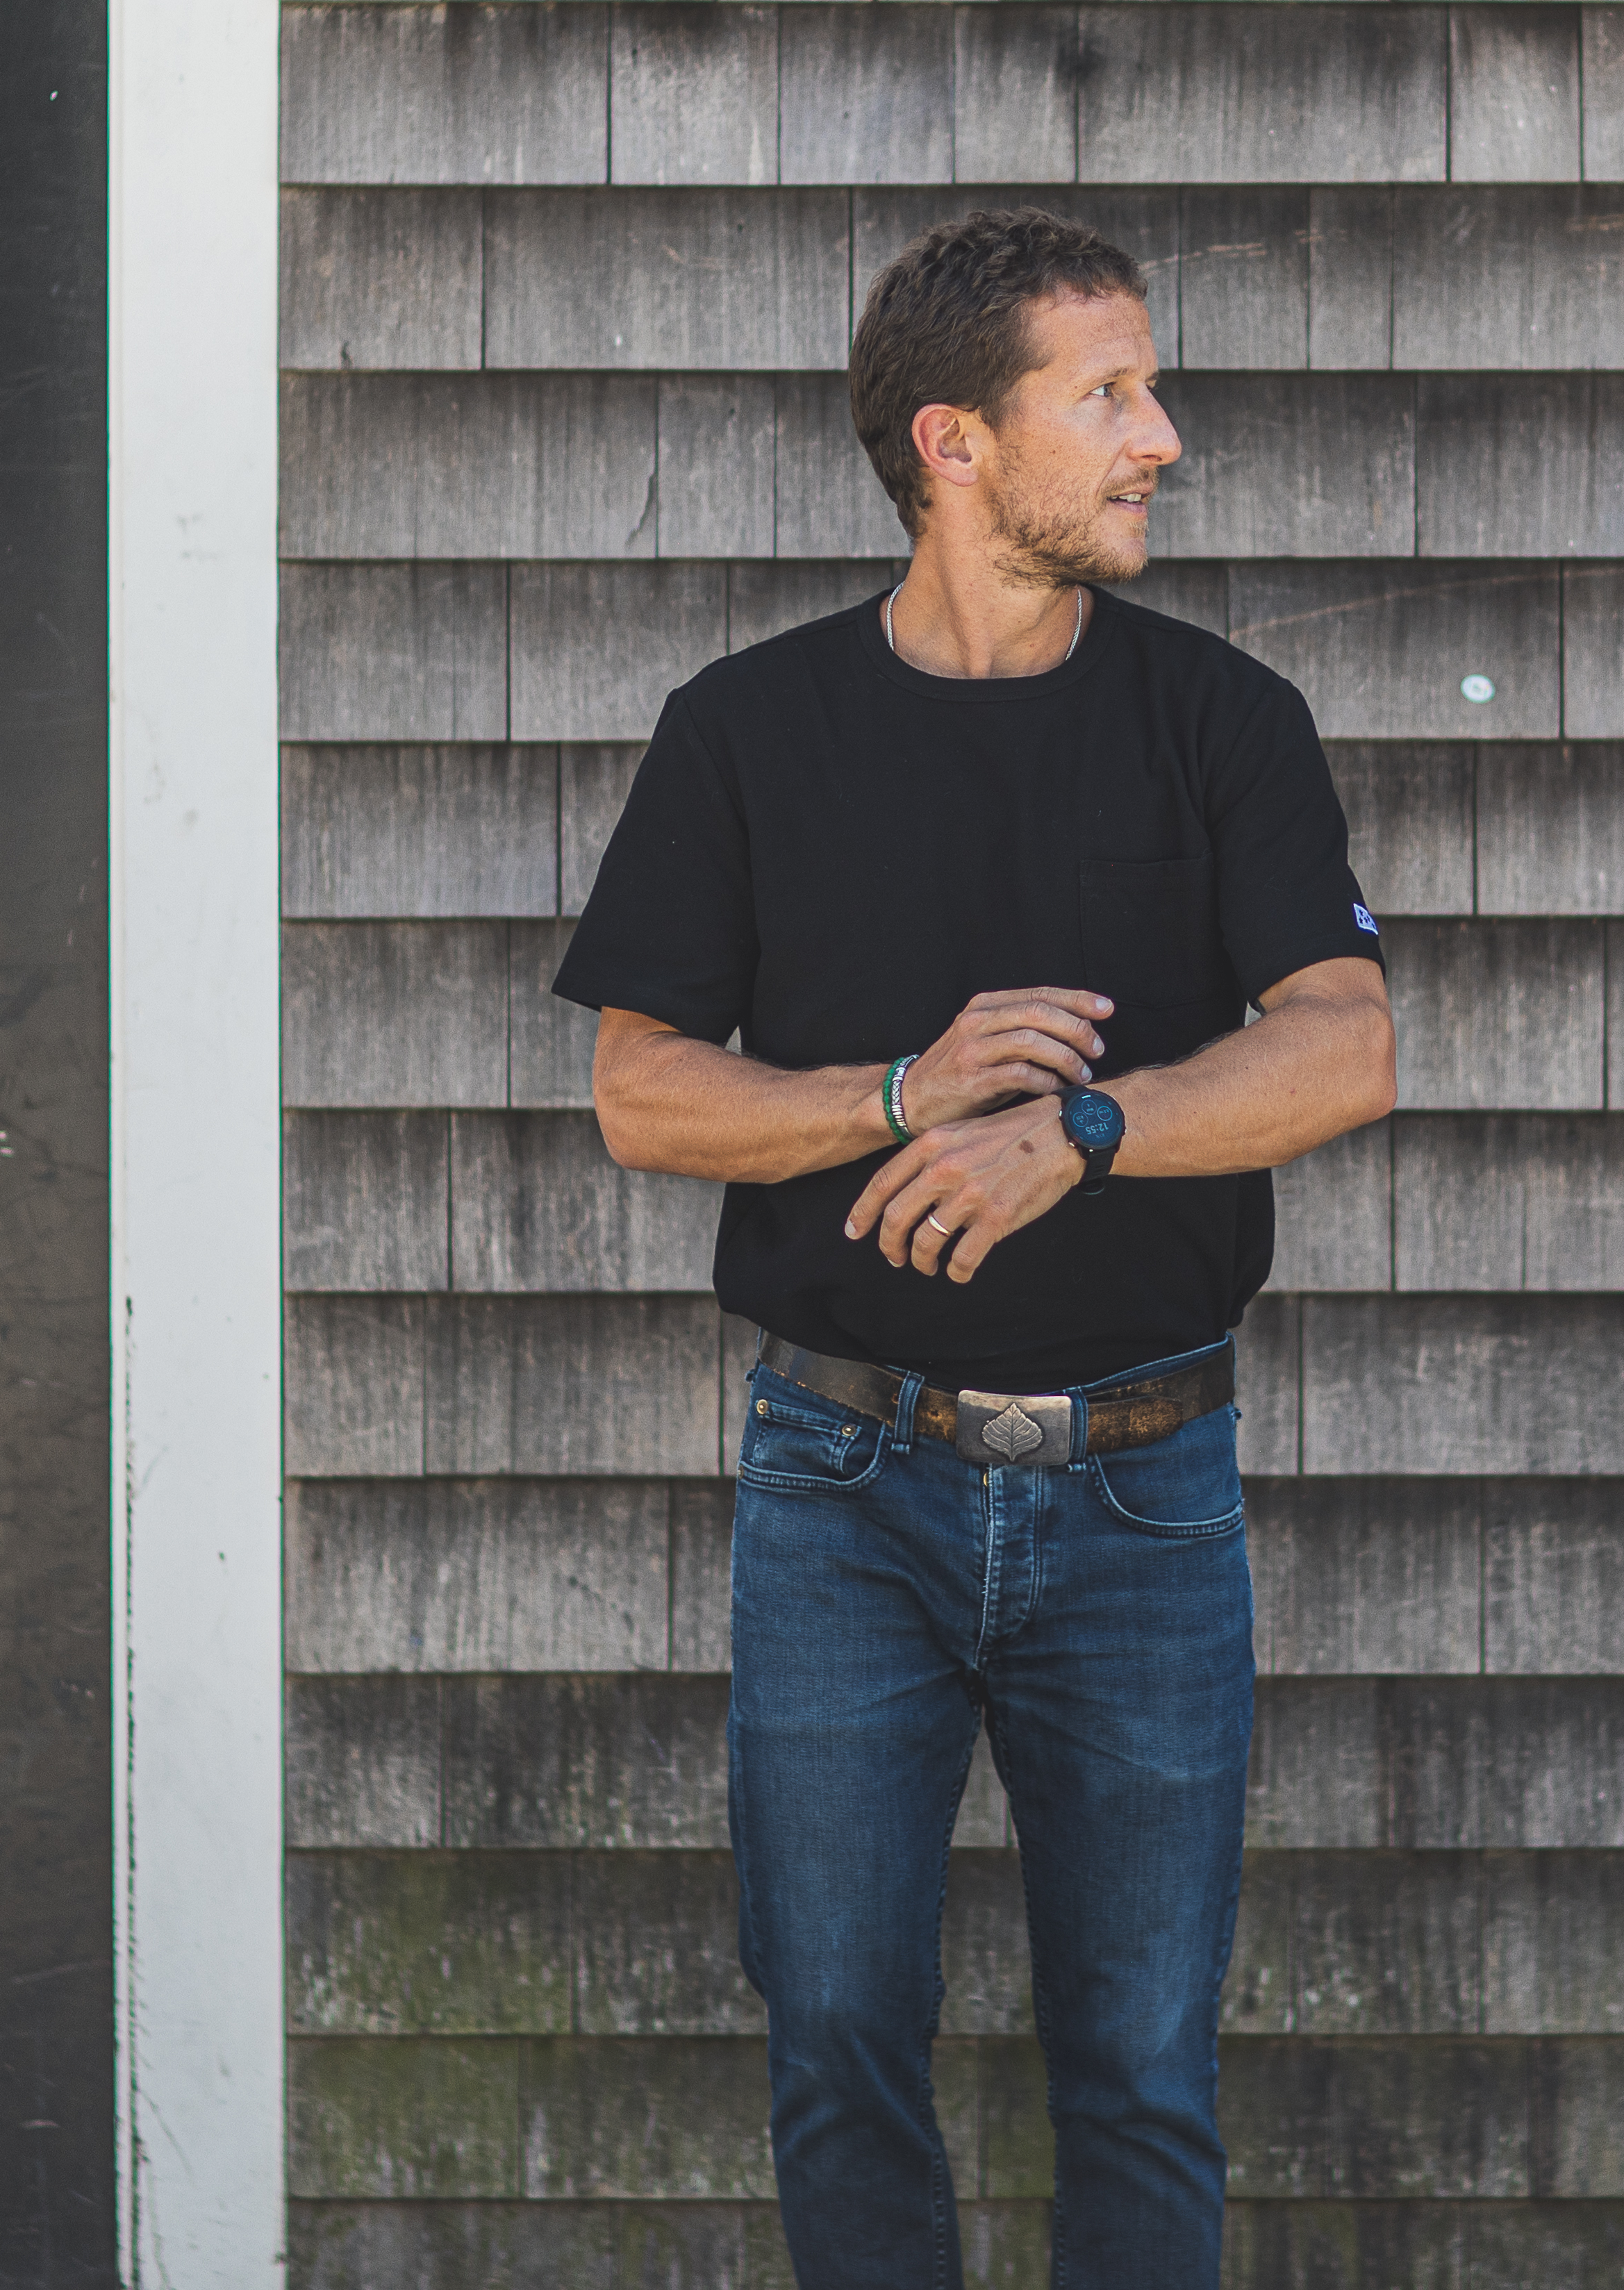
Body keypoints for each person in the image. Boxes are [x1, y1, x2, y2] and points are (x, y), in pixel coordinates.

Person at [554, 205, 1397, 2284]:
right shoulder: (747, 730)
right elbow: (642, 1091)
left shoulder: (1220, 721)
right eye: (1104, 394)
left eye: (1147, 387)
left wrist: (1082, 1135)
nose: (1159, 437)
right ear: (952, 440)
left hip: (1145, 1481)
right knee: (839, 2031)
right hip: (845, 1485)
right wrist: (905, 1099)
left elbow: (1344, 1049)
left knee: (1136, 2056)